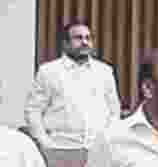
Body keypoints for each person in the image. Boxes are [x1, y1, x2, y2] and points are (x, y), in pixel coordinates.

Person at [25, 17, 122, 152]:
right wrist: (45, 143)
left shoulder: (104, 71)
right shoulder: (48, 71)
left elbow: (114, 110)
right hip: (61, 147)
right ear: (65, 43)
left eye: (88, 38)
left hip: (99, 149)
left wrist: (109, 139)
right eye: (78, 38)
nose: (85, 42)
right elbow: (33, 111)